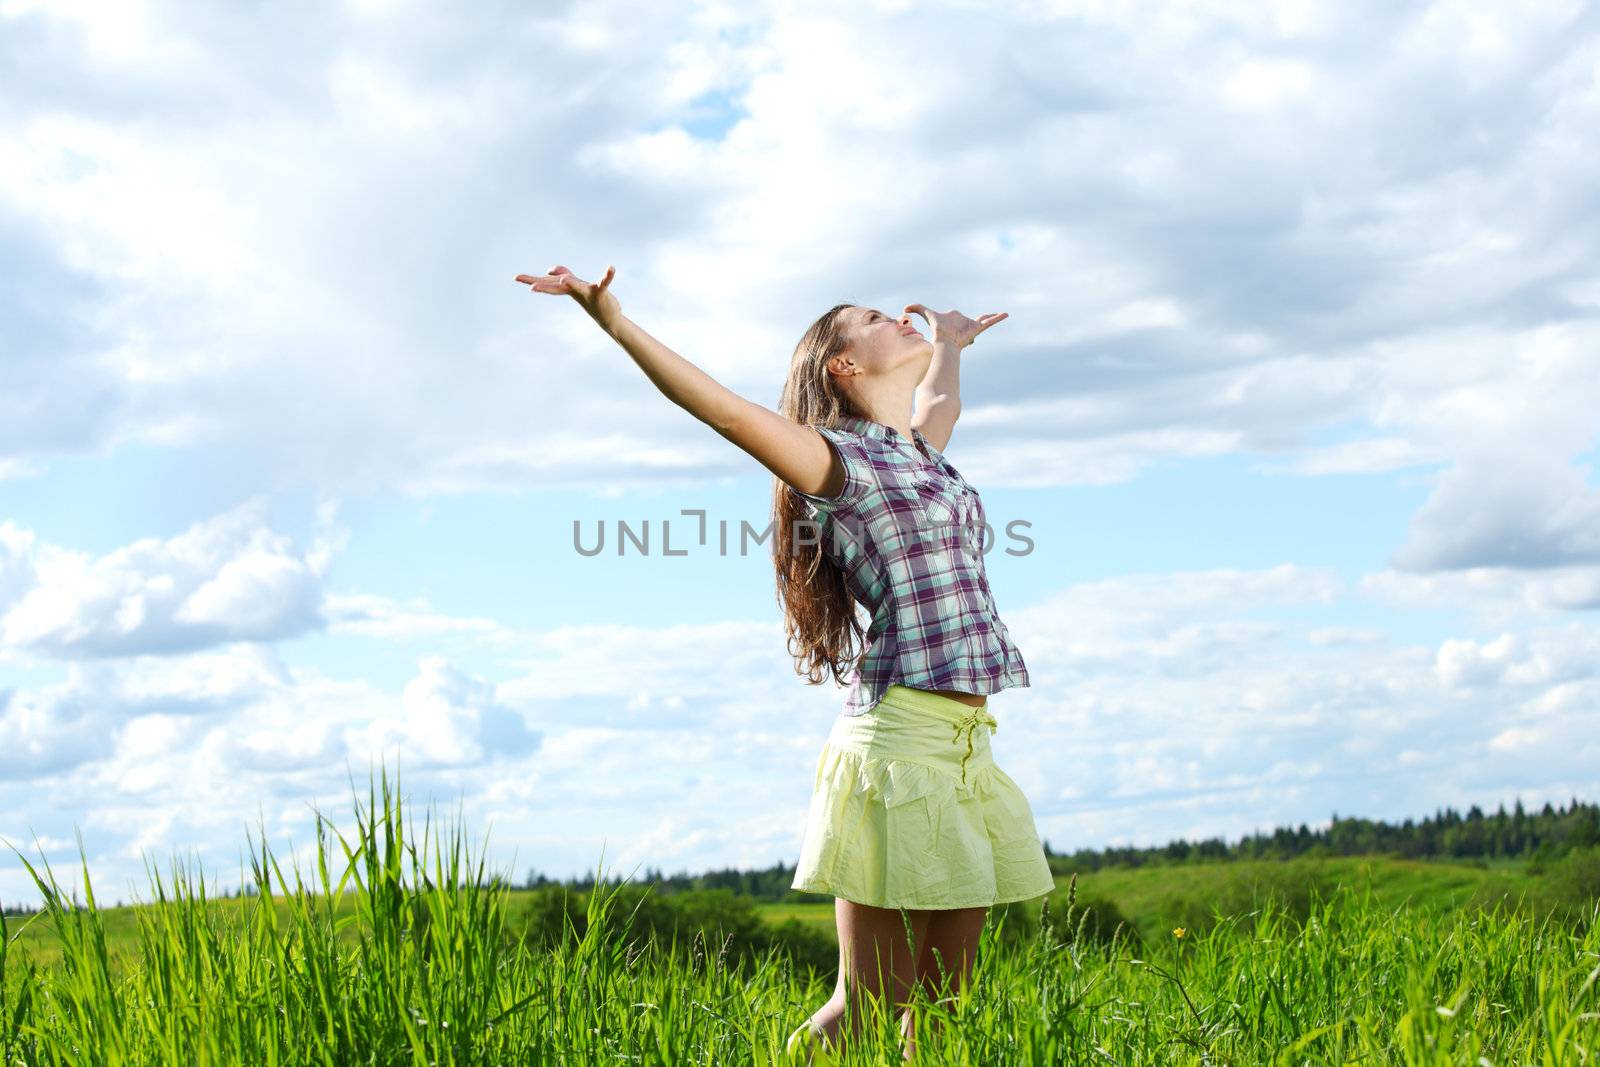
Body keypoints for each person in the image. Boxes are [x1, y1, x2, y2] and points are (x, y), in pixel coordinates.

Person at [514, 264, 1056, 1062]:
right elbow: (726, 414)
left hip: (967, 750)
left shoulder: (919, 452)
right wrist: (615, 324)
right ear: (843, 365)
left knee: (941, 1011)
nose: (894, 316)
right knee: (867, 1008)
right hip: (897, 747)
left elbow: (942, 401)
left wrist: (950, 341)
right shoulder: (834, 462)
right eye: (876, 318)